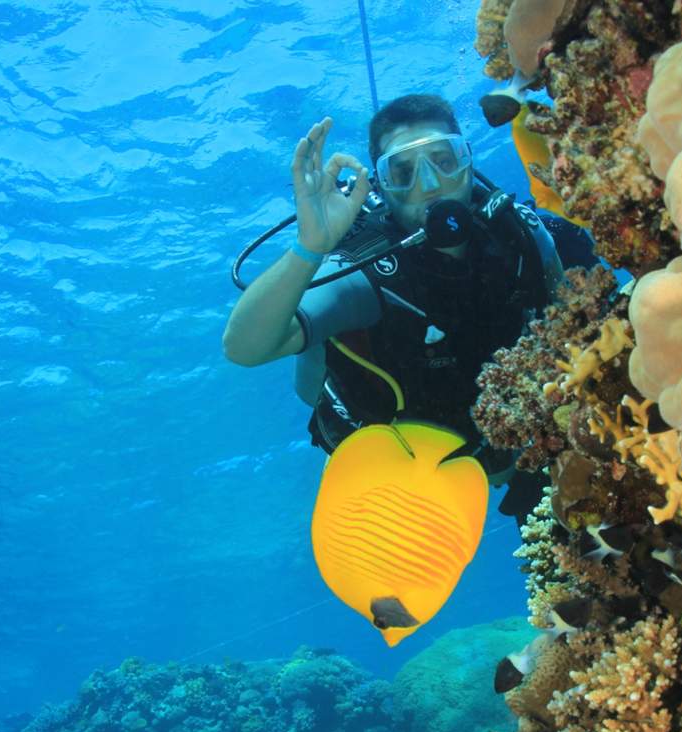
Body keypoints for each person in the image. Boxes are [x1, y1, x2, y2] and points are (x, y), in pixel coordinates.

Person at [223, 94, 596, 522]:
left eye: (444, 160)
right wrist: (309, 248)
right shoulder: (365, 269)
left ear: (467, 161)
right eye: (403, 172)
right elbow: (243, 348)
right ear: (381, 187)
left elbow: (573, 335)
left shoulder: (521, 236)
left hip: (505, 448)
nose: (431, 183)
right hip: (387, 457)